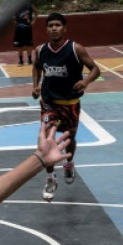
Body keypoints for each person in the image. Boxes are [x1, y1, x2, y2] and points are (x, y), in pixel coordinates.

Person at [32, 12, 100, 202]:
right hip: (48, 102)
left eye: (57, 25)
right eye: (50, 25)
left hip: (70, 103)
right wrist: (35, 85)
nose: (53, 28)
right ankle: (51, 178)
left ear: (64, 28)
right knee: (46, 139)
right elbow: (36, 67)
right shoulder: (40, 50)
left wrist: (86, 81)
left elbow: (95, 69)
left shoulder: (75, 48)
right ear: (46, 29)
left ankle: (69, 162)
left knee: (70, 139)